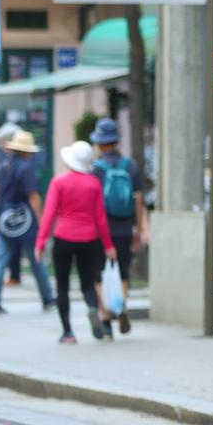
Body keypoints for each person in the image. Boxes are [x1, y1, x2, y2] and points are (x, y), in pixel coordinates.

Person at [35, 140, 116, 344]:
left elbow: (49, 214)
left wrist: (40, 243)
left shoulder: (59, 182)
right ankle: (91, 308)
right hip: (89, 239)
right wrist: (108, 245)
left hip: (64, 238)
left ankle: (68, 333)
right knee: (88, 284)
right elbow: (100, 218)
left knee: (62, 287)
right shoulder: (93, 183)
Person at [0, 129, 56, 315]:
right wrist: (42, 221)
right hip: (25, 221)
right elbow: (33, 196)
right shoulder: (26, 168)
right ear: (26, 151)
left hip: (4, 220)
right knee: (36, 260)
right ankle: (48, 298)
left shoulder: (3, 166)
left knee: (1, 260)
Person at [89, 118, 146, 335]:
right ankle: (121, 307)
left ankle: (105, 319)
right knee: (123, 272)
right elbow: (138, 198)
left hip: (102, 230)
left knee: (98, 274)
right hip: (125, 228)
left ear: (99, 143)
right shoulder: (130, 166)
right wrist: (139, 229)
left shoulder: (96, 169)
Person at [0, 121, 24, 286]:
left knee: (9, 246)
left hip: (12, 209)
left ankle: (14, 275)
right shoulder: (5, 158)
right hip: (5, 206)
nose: (0, 144)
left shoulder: (15, 160)